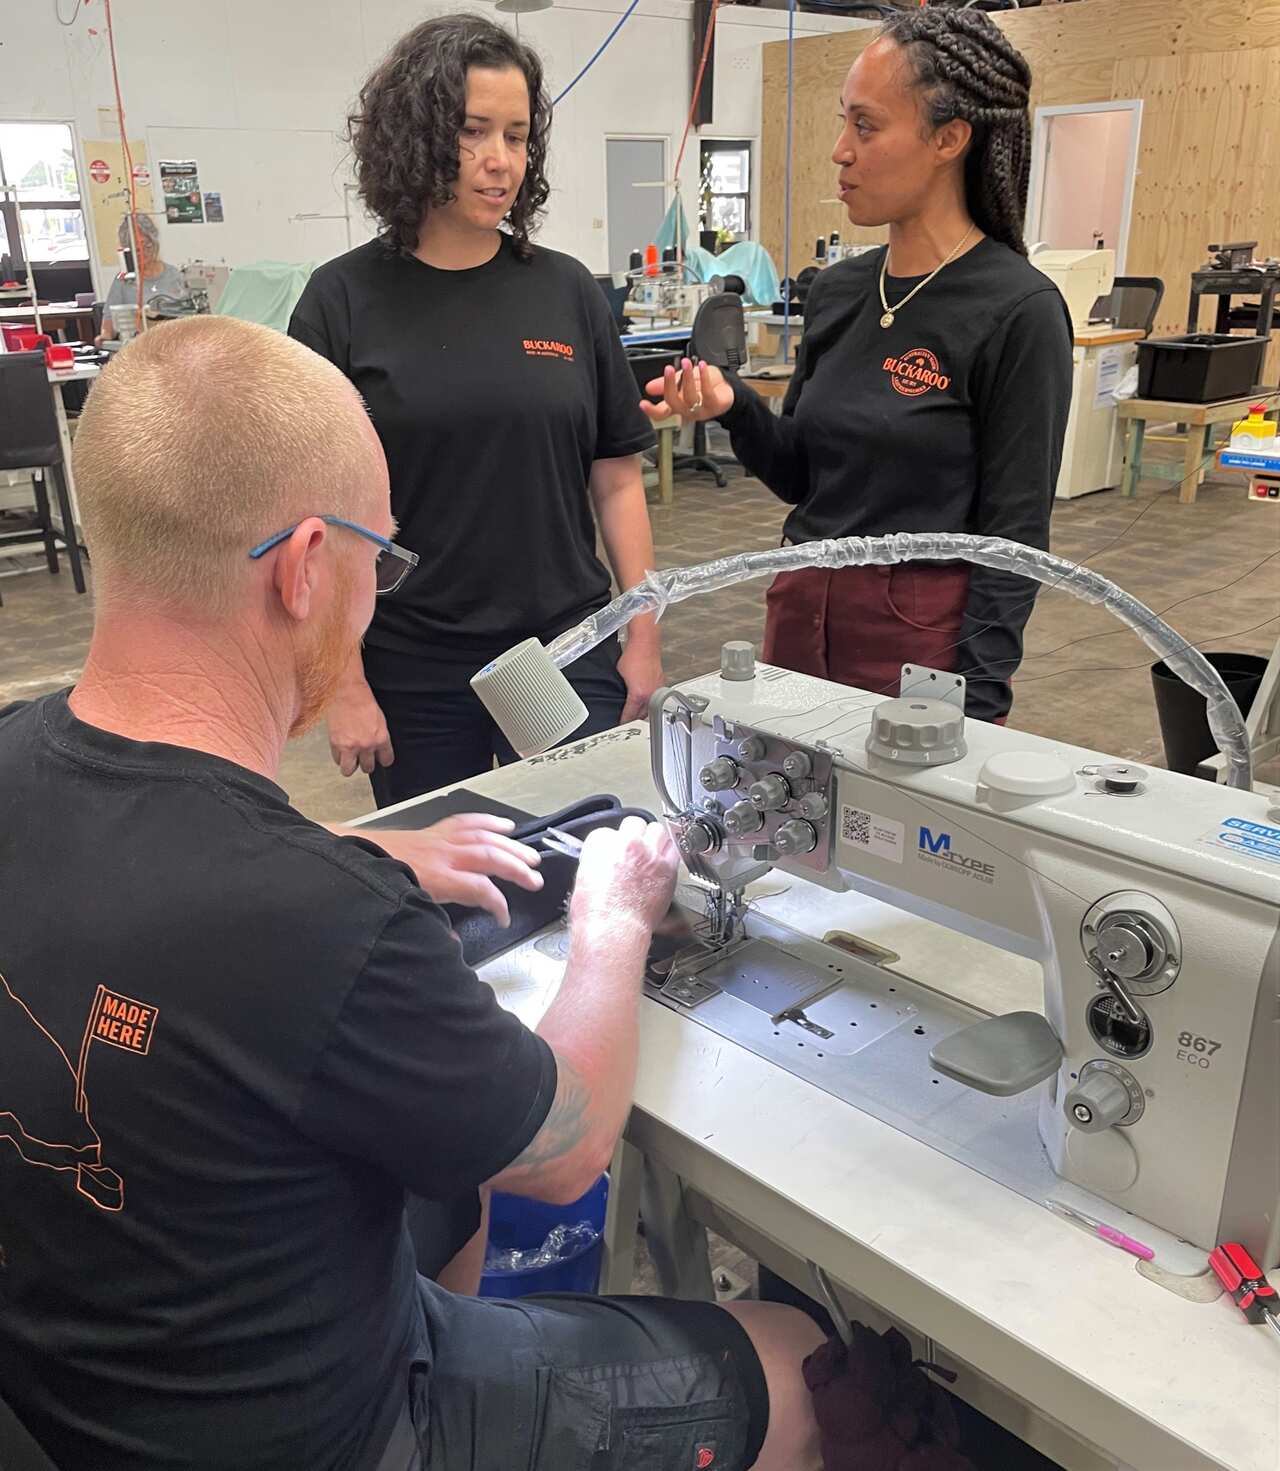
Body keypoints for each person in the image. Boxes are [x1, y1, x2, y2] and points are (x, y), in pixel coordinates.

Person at [0, 315, 823, 1471]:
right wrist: (610, 923)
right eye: (376, 562)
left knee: (450, 1189)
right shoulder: (311, 915)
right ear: (299, 569)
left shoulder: (19, 757)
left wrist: (372, 851)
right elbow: (565, 1146)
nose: (376, 597)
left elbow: (158, 880)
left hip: (75, 1380)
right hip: (312, 1433)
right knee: (794, 1360)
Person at [644, 8, 1073, 725]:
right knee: (791, 826)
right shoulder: (838, 290)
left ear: (949, 139)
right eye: (844, 123)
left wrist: (975, 706)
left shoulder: (1017, 309)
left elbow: (1015, 540)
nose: (840, 151)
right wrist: (736, 406)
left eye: (866, 127)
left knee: (896, 832)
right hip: (800, 611)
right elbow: (804, 479)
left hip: (919, 645)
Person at [289, 15, 663, 806]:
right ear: (415, 137)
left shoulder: (568, 293)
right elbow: (316, 518)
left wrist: (644, 635)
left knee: (591, 872)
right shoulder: (343, 300)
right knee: (453, 900)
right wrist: (342, 684)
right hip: (415, 661)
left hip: (562, 648)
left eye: (519, 136)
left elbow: (618, 479)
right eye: (472, 132)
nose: (501, 162)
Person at [96, 212, 185, 343]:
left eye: (147, 247)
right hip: (139, 347)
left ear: (154, 244)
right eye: (137, 250)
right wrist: (103, 338)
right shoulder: (123, 280)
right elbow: (108, 327)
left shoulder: (174, 275)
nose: (143, 254)